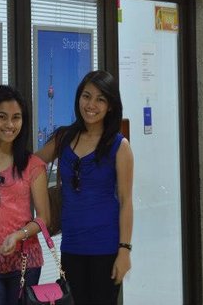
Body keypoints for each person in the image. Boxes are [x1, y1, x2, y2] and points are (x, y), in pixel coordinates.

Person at [36, 70, 134, 305]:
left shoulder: (119, 147)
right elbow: (33, 165)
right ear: (78, 98)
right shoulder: (63, 138)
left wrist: (125, 251)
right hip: (71, 246)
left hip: (107, 250)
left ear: (110, 106)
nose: (91, 105)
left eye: (100, 99)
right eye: (86, 96)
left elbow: (125, 201)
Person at [0, 85, 49, 305]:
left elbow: (43, 218)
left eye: (16, 118)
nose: (10, 125)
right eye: (2, 117)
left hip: (25, 261)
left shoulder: (33, 165)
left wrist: (19, 235)